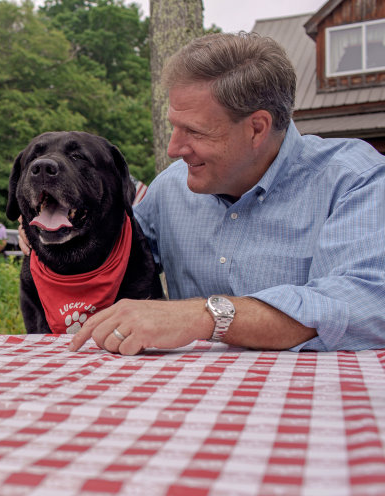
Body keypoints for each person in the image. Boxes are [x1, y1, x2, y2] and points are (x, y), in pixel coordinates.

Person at [45, 31, 385, 354]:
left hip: (316, 402)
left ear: (257, 128)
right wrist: (52, 222)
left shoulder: (354, 180)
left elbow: (365, 303)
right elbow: (111, 249)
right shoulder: (171, 188)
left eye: (193, 131)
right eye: (174, 126)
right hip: (188, 402)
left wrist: (204, 316)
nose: (174, 148)